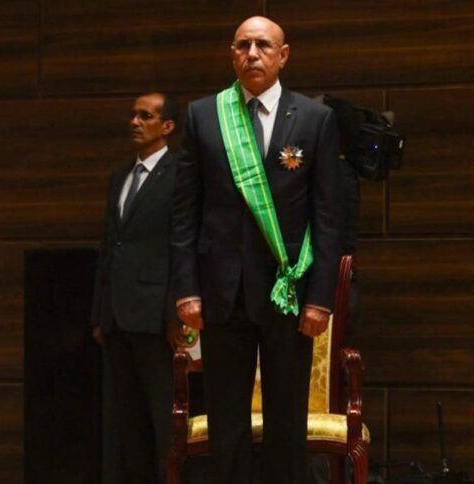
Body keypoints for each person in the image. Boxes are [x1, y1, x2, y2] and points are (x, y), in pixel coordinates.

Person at [170, 16, 343, 483]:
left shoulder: (315, 119)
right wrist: (186, 289)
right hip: (222, 292)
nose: (252, 54)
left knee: (287, 422)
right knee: (226, 423)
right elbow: (184, 213)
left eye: (263, 46)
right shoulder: (204, 116)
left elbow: (329, 218)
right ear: (231, 54)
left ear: (283, 56)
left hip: (288, 292)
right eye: (243, 45)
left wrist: (321, 298)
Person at [90, 91, 183, 483]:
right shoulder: (120, 177)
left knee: (164, 421)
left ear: (167, 126)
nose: (134, 122)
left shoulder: (180, 174)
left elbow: (182, 247)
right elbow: (109, 247)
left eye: (145, 116)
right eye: (133, 115)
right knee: (127, 427)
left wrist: (174, 314)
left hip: (156, 318)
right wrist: (100, 313)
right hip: (117, 317)